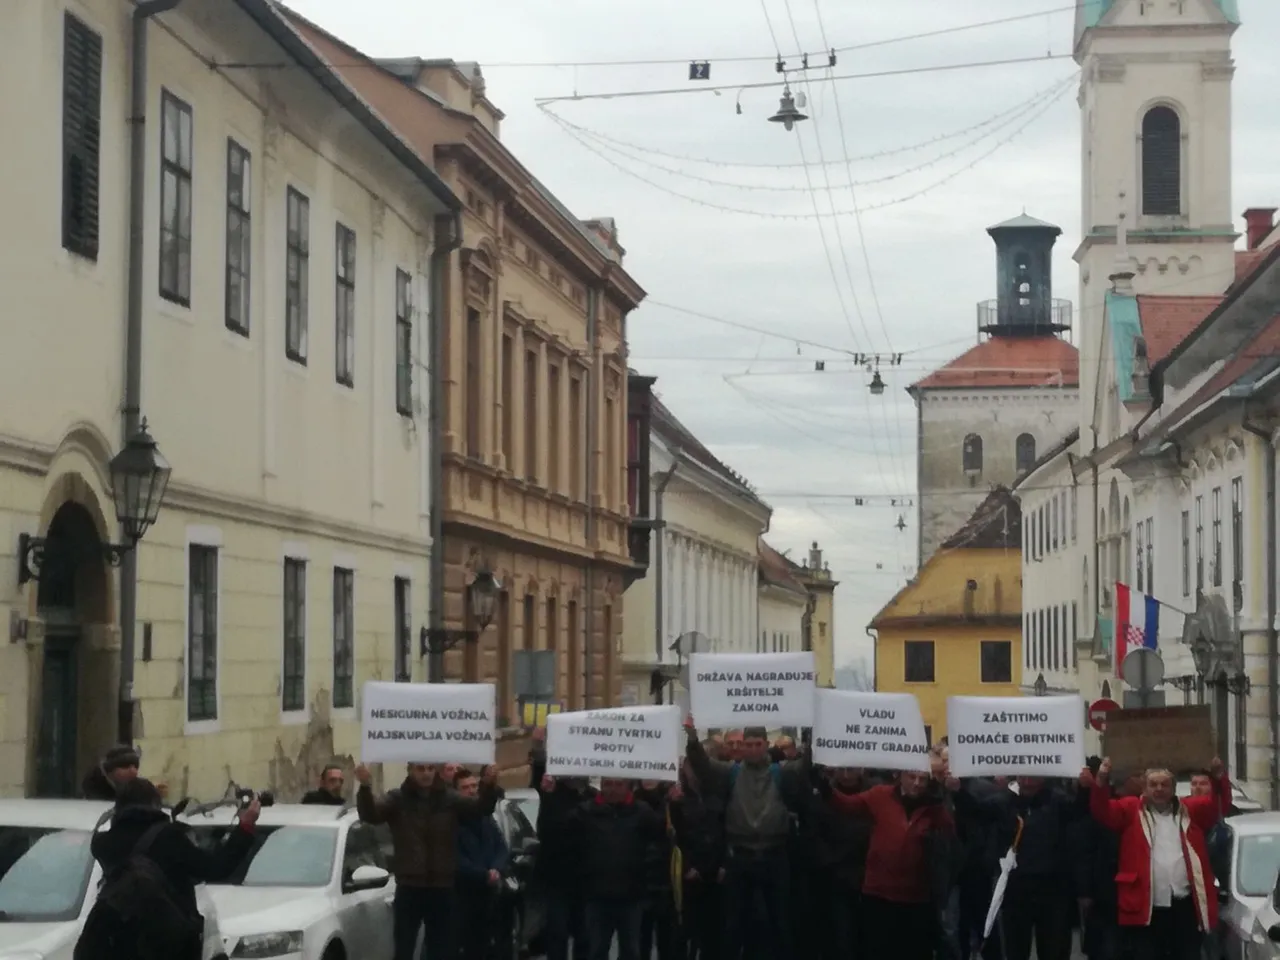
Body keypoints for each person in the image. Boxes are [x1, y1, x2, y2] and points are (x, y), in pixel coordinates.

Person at [76, 777, 259, 960]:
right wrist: (245, 827)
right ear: (155, 804)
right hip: (167, 940)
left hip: (118, 940)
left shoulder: (103, 844)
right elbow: (216, 867)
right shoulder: (170, 838)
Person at [684, 719, 809, 960]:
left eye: (757, 744)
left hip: (775, 856)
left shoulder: (780, 772)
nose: (752, 749)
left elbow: (806, 764)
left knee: (780, 924)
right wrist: (692, 738)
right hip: (740, 858)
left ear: (766, 744)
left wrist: (815, 736)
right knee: (734, 926)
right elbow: (702, 764)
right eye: (748, 744)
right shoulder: (731, 771)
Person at [354, 761, 502, 960]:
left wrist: (488, 784)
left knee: (441, 950)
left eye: (430, 769)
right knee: (404, 948)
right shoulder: (397, 798)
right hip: (409, 887)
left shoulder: (449, 799)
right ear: (411, 770)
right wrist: (365, 786)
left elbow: (480, 808)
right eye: (420, 769)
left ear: (436, 771)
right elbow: (370, 814)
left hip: (442, 888)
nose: (426, 774)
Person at [1087, 757, 1230, 960]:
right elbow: (1101, 811)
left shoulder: (1190, 810)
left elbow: (1217, 807)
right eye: (1153, 784)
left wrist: (1218, 779)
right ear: (1144, 789)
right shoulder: (1130, 810)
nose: (1159, 789)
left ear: (1173, 789)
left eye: (1164, 784)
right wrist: (1101, 779)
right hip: (1147, 907)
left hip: (1184, 906)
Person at [826, 766, 956, 960]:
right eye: (912, 777)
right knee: (879, 951)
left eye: (922, 779)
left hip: (916, 897)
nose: (917, 783)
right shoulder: (881, 795)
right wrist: (823, 786)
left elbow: (950, 832)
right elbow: (847, 804)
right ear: (900, 776)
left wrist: (939, 795)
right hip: (879, 894)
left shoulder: (934, 807)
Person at [544, 775, 664, 960]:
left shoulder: (642, 812)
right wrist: (551, 796)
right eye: (607, 784)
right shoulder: (585, 811)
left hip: (631, 898)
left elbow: (662, 834)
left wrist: (665, 798)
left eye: (618, 784)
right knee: (596, 951)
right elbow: (555, 830)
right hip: (597, 898)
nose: (612, 789)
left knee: (631, 952)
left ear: (628, 787)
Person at [454, 768, 511, 960]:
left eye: (474, 786)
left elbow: (502, 847)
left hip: (491, 895)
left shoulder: (486, 819)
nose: (471, 791)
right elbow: (456, 859)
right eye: (465, 788)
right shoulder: (451, 822)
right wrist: (483, 874)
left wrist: (496, 869)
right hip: (465, 896)